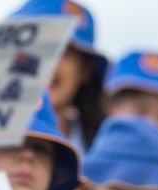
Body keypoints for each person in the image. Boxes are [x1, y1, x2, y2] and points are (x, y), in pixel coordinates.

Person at [12, 0, 107, 150]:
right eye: (36, 46)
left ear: (85, 70)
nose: (48, 62)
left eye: (63, 51)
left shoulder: (105, 150)